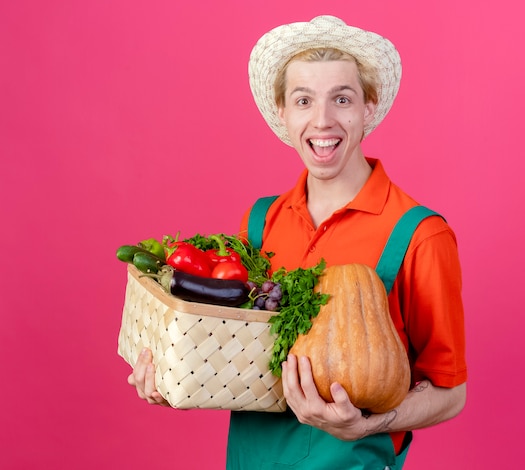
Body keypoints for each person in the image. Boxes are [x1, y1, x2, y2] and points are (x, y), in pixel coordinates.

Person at [129, 15, 467, 469]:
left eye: (341, 99)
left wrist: (369, 424)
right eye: (303, 100)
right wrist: (173, 377)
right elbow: (237, 358)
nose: (322, 120)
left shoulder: (419, 235)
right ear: (284, 112)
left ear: (368, 107)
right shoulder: (260, 223)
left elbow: (450, 392)